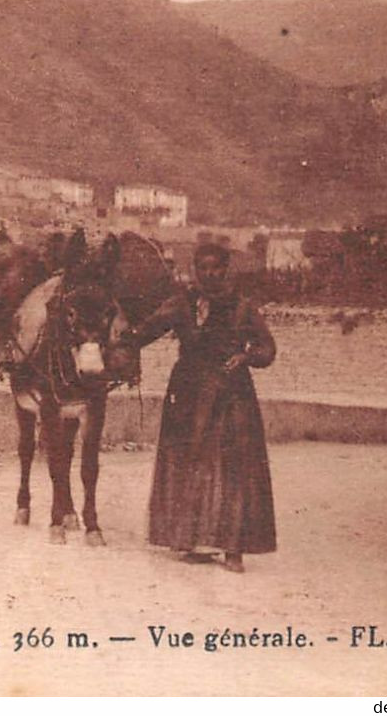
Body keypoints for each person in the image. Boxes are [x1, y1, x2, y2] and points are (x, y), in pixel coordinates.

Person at [120, 242, 277, 572]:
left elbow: (268, 348)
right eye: (203, 268)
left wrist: (247, 355)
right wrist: (115, 336)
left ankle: (234, 547)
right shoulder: (180, 304)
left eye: (216, 268)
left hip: (231, 395)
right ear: (195, 270)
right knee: (189, 462)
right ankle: (192, 538)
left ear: (225, 269)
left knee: (233, 469)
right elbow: (146, 331)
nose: (210, 274)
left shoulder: (243, 307)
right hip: (188, 395)